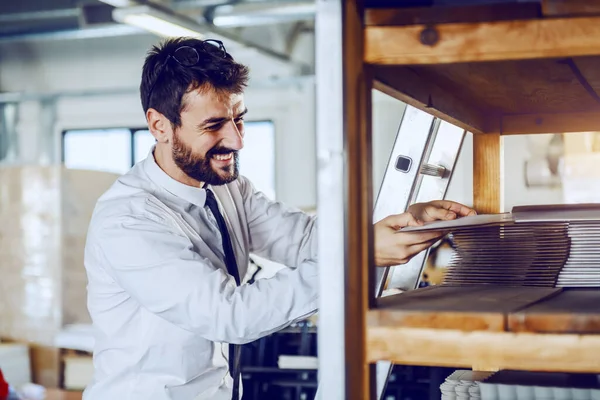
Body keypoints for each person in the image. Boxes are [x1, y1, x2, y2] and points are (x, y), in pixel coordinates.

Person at [82, 37, 475, 400]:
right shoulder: (129, 220)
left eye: (238, 119)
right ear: (159, 126)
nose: (236, 140)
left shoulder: (226, 187)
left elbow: (304, 239)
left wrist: (402, 223)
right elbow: (230, 314)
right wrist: (359, 256)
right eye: (214, 125)